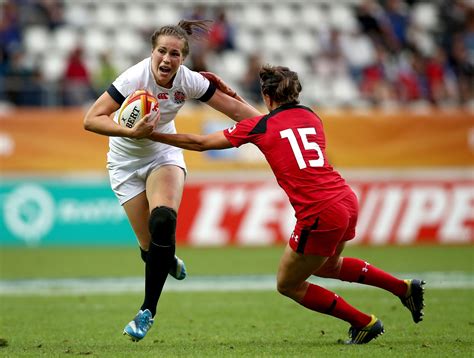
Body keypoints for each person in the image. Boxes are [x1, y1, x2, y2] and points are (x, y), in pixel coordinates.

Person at [147, 64, 426, 344]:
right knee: (329, 266)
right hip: (345, 199)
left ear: (267, 97)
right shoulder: (310, 116)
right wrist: (234, 98)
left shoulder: (261, 126)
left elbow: (200, 142)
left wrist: (149, 134)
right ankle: (402, 288)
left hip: (319, 212)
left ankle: (365, 322)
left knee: (288, 284)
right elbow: (272, 123)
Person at [83, 20, 260, 342]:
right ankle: (166, 259)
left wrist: (276, 126)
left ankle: (146, 311)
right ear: (152, 52)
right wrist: (131, 132)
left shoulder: (188, 81)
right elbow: (91, 119)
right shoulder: (133, 78)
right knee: (152, 249)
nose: (167, 59)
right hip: (123, 163)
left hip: (163, 154)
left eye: (175, 54)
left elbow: (234, 109)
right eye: (162, 51)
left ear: (183, 58)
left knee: (163, 219)